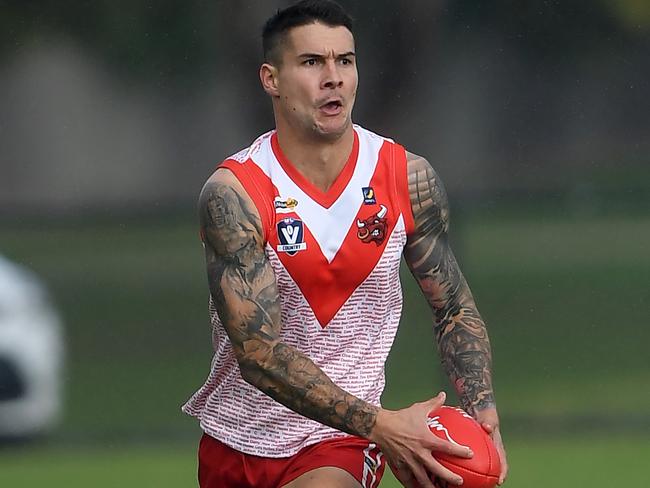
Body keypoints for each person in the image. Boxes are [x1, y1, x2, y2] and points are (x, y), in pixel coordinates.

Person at [182, 1, 508, 487]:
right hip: (234, 444)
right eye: (312, 62)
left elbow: (453, 308)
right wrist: (388, 426)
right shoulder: (237, 193)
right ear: (271, 79)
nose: (333, 77)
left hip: (341, 443)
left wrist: (483, 413)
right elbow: (257, 352)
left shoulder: (406, 179)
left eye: (345, 61)